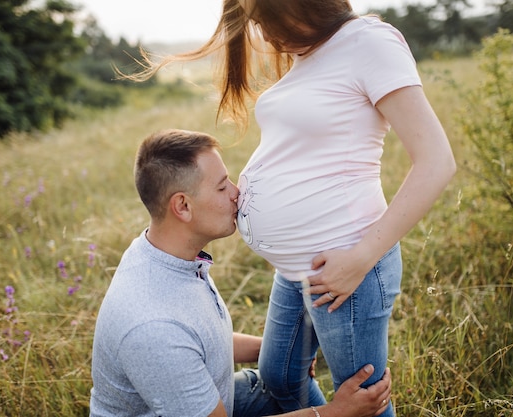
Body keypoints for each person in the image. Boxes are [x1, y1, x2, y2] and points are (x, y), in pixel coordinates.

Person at [132, 1, 457, 415]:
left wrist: (360, 258)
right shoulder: (309, 57)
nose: (264, 36)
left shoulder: (369, 42)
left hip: (343, 265)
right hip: (297, 270)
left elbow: (436, 161)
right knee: (280, 378)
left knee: (364, 401)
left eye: (264, 21)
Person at [89, 128, 393, 417]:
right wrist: (335, 413)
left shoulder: (159, 255)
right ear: (182, 206)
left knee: (278, 381)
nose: (237, 193)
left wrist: (274, 350)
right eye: (222, 186)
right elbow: (171, 337)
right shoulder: (152, 329)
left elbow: (197, 338)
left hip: (209, 398)